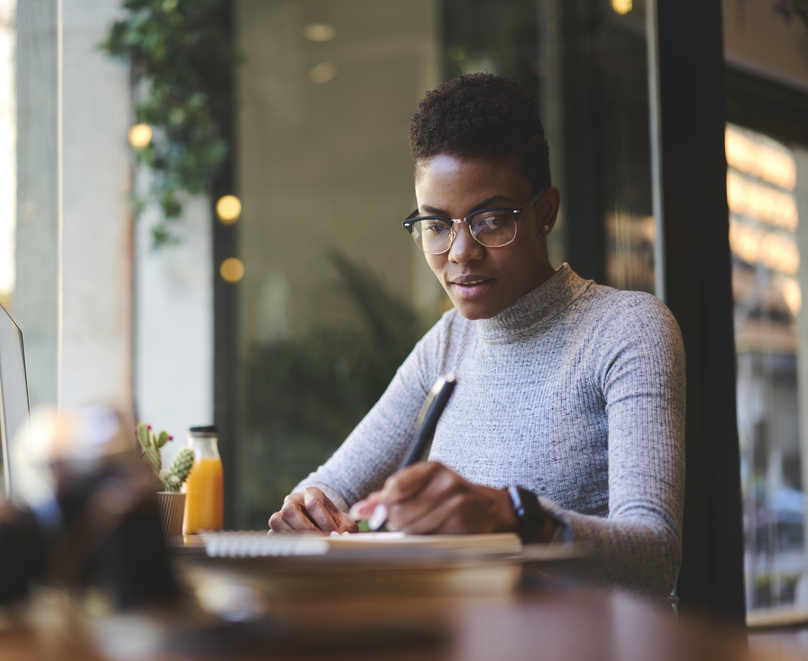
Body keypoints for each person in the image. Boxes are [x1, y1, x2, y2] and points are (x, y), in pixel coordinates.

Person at [267, 72, 685, 602]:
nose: (461, 252)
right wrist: (310, 509)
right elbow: (334, 485)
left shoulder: (626, 330)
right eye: (436, 225)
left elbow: (656, 556)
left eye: (490, 220)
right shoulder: (446, 344)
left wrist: (512, 517)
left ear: (546, 212)